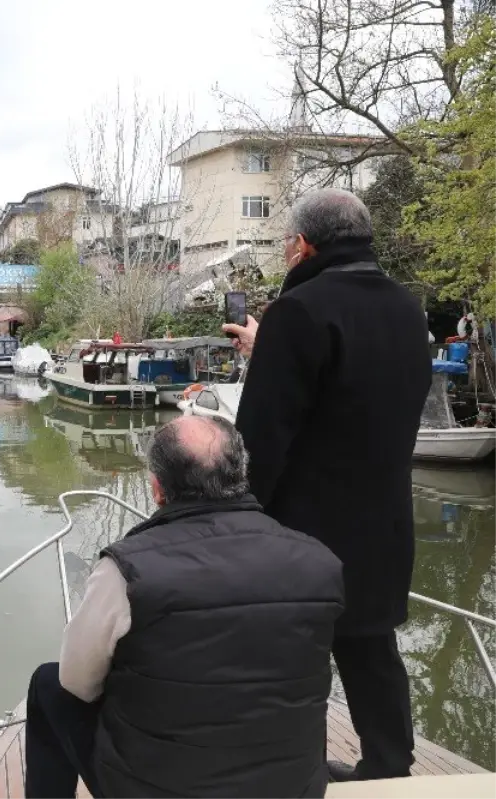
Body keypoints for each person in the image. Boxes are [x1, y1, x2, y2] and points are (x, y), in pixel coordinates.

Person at [223, 188, 431, 782]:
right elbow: (354, 387)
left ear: (303, 245)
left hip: (306, 530)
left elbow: (260, 437)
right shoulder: (405, 308)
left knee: (293, 657)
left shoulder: (300, 311)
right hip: (386, 520)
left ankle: (294, 773)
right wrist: (273, 349)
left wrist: (237, 520)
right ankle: (389, 769)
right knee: (371, 648)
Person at [24, 416, 344, 799]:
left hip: (156, 789)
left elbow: (77, 682)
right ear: (241, 473)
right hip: (294, 789)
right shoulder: (320, 561)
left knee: (48, 682)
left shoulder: (127, 569)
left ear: (158, 488)